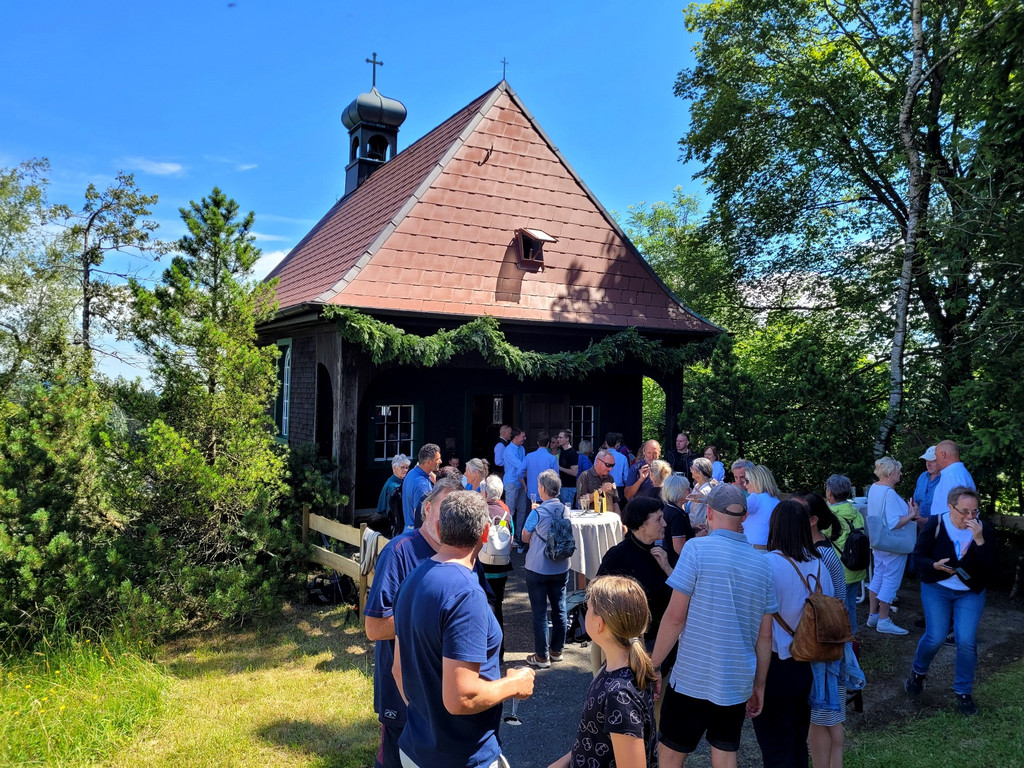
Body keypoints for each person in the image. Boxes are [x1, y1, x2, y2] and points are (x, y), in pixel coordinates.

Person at [392, 490, 535, 768]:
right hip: (462, 756)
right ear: (485, 533)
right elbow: (461, 697)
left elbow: (398, 670)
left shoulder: (412, 579)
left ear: (438, 528)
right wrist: (514, 684)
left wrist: (428, 718)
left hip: (415, 749)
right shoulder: (466, 593)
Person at [651, 484, 777, 768]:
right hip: (737, 678)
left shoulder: (696, 549)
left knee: (670, 753)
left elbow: (675, 616)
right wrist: (759, 684)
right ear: (744, 517)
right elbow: (765, 636)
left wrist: (654, 665)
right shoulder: (763, 565)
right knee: (725, 752)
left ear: (708, 513)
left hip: (692, 677)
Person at [364, 478, 463, 768]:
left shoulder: (462, 554)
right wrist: (431, 620)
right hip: (402, 693)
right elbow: (374, 627)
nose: (450, 518)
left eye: (456, 511)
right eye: (445, 508)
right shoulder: (399, 551)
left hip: (444, 692)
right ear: (427, 508)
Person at [753, 497, 835, 768]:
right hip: (809, 661)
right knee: (798, 739)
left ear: (774, 527)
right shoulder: (819, 564)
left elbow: (759, 625)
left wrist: (757, 681)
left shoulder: (766, 565)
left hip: (776, 662)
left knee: (776, 744)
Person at [547, 576, 659, 768]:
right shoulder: (616, 668)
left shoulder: (619, 695)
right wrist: (562, 762)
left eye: (588, 608)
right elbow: (594, 736)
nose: (586, 612)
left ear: (599, 624)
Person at [905, 486, 997, 716]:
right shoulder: (935, 524)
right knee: (936, 637)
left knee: (966, 640)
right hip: (937, 588)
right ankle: (918, 672)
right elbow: (918, 556)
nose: (970, 517)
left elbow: (990, 566)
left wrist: (979, 540)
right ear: (950, 507)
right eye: (964, 511)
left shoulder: (983, 529)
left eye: (974, 511)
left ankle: (963, 693)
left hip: (970, 591)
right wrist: (933, 565)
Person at [798, 492, 849, 768]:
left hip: (825, 643)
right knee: (828, 716)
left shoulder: (820, 555)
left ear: (813, 520)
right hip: (830, 641)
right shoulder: (818, 550)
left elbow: (832, 603)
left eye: (797, 514)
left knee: (822, 717)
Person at [596, 497, 674, 653]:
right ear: (642, 525)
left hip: (664, 637)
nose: (664, 523)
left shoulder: (662, 554)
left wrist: (667, 568)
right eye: (658, 519)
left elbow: (679, 593)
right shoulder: (618, 557)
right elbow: (599, 597)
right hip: (631, 643)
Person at [521, 469, 571, 668]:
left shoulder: (537, 513)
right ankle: (557, 650)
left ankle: (542, 656)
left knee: (540, 612)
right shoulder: (566, 510)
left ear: (542, 488)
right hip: (561, 565)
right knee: (560, 608)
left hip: (538, 567)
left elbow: (524, 537)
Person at [866, 456, 919, 635]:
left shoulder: (874, 488)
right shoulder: (889, 493)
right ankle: (884, 619)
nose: (900, 474)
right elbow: (894, 522)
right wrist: (911, 514)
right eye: (898, 471)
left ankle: (873, 615)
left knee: (878, 576)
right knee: (890, 579)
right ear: (890, 474)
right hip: (893, 545)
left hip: (879, 542)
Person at [825, 474, 867, 636]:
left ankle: (841, 640)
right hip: (856, 569)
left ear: (830, 493)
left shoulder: (829, 517)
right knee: (850, 606)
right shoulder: (856, 513)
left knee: (837, 609)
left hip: (838, 572)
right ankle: (852, 636)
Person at [481, 474, 514, 663]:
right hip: (501, 568)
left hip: (483, 568)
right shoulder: (505, 513)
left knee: (482, 609)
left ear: (485, 492)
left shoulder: (480, 511)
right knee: (498, 609)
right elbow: (511, 541)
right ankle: (499, 652)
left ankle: (484, 652)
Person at [931, 440, 977, 517]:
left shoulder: (954, 476)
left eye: (936, 456)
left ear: (943, 455)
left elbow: (962, 511)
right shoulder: (956, 474)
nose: (936, 460)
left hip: (950, 524)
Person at [402, 443, 441, 531]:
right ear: (428, 462)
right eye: (437, 459)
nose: (440, 461)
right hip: (417, 531)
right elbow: (420, 516)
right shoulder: (422, 484)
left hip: (408, 528)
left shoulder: (412, 472)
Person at [744, 465, 782, 549]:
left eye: (747, 481)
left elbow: (733, 510)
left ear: (757, 481)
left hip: (754, 549)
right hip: (772, 548)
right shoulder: (777, 501)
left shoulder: (755, 498)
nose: (744, 484)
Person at [661, 473, 695, 563]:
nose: (690, 490)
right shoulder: (676, 514)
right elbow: (680, 548)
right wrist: (698, 537)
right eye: (687, 488)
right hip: (676, 562)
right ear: (679, 491)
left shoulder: (669, 508)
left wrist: (693, 529)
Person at [576, 449, 622, 515]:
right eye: (608, 465)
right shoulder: (585, 476)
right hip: (592, 518)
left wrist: (619, 519)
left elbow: (615, 502)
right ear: (598, 461)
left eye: (612, 465)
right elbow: (581, 502)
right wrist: (600, 491)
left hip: (609, 518)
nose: (610, 469)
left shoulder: (610, 478)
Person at [503, 428, 528, 544]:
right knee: (510, 511)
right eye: (523, 436)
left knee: (522, 510)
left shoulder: (521, 448)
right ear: (516, 437)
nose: (524, 438)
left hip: (521, 482)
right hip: (511, 483)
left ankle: (518, 535)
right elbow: (521, 465)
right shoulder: (509, 450)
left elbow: (523, 465)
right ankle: (507, 536)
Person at [525, 430, 559, 509]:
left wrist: (524, 485)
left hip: (532, 493)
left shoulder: (529, 456)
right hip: (547, 494)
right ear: (548, 443)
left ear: (537, 442)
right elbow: (556, 478)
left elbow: (519, 472)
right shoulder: (552, 458)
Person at [686, 456, 719, 532]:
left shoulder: (707, 489)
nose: (690, 470)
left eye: (692, 468)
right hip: (695, 527)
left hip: (701, 529)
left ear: (699, 473)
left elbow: (705, 497)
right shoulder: (697, 485)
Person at [912, 446, 942, 524]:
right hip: (920, 525)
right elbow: (916, 501)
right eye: (926, 461)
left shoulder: (946, 479)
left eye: (932, 461)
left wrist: (927, 521)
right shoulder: (923, 477)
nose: (928, 464)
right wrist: (918, 517)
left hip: (939, 525)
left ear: (941, 461)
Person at [556, 429, 579, 506]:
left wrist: (560, 468)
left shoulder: (572, 453)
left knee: (567, 509)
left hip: (569, 487)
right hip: (562, 486)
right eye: (558, 437)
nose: (558, 439)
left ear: (567, 439)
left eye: (560, 437)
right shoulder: (562, 451)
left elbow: (574, 472)